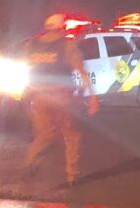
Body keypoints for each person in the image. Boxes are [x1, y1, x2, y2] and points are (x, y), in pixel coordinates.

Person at [23, 13, 98, 186]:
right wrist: (93, 97)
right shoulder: (67, 45)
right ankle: (72, 175)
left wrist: (27, 94)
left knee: (44, 134)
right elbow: (81, 71)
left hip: (39, 97)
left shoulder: (30, 45)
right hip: (62, 98)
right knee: (72, 135)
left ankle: (31, 161)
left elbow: (28, 69)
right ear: (61, 28)